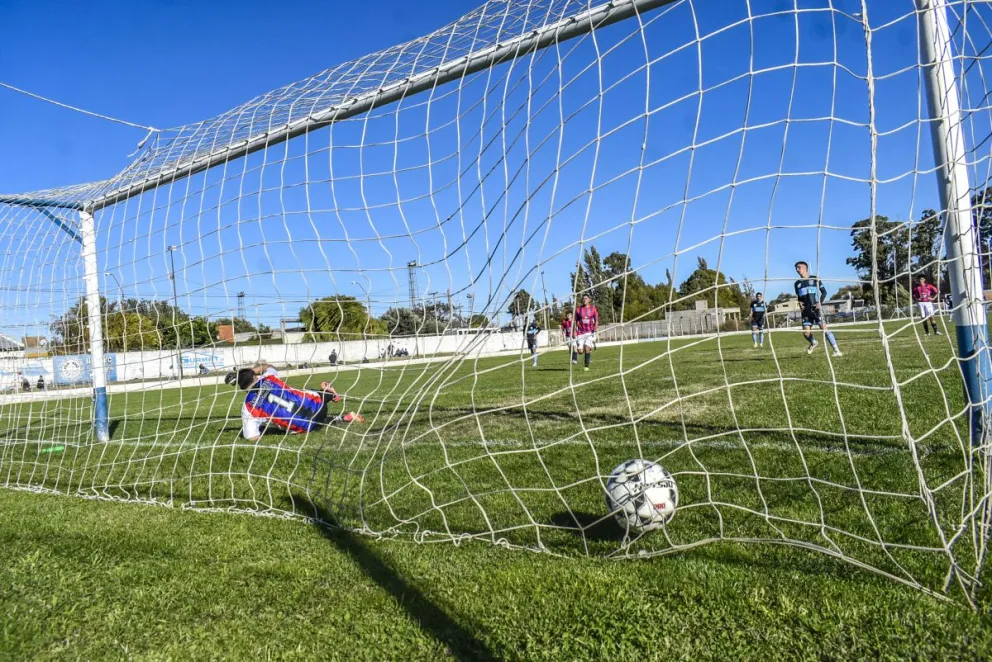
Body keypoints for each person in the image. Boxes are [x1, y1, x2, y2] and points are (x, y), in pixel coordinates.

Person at [233, 363, 364, 442]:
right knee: (303, 395)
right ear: (255, 376)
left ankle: (344, 418)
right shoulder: (269, 377)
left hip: (307, 427)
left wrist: (270, 425)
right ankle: (328, 393)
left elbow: (252, 437)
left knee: (303, 421)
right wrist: (251, 371)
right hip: (319, 405)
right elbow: (269, 366)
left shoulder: (248, 407)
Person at [794, 261, 841, 357]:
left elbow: (824, 292)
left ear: (805, 268)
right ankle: (814, 342)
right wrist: (799, 303)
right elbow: (799, 297)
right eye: (796, 268)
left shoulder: (814, 279)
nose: (797, 270)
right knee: (806, 334)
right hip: (806, 312)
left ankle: (836, 350)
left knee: (824, 329)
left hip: (816, 309)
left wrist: (820, 302)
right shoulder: (797, 284)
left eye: (799, 267)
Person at [574, 293, 599, 371]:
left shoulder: (593, 309)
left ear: (589, 300)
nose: (584, 300)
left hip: (589, 331)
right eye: (583, 298)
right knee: (580, 351)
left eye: (586, 298)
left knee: (587, 348)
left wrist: (595, 328)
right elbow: (575, 321)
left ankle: (586, 366)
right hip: (580, 332)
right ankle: (586, 347)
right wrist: (575, 330)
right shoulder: (578, 309)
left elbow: (596, 320)